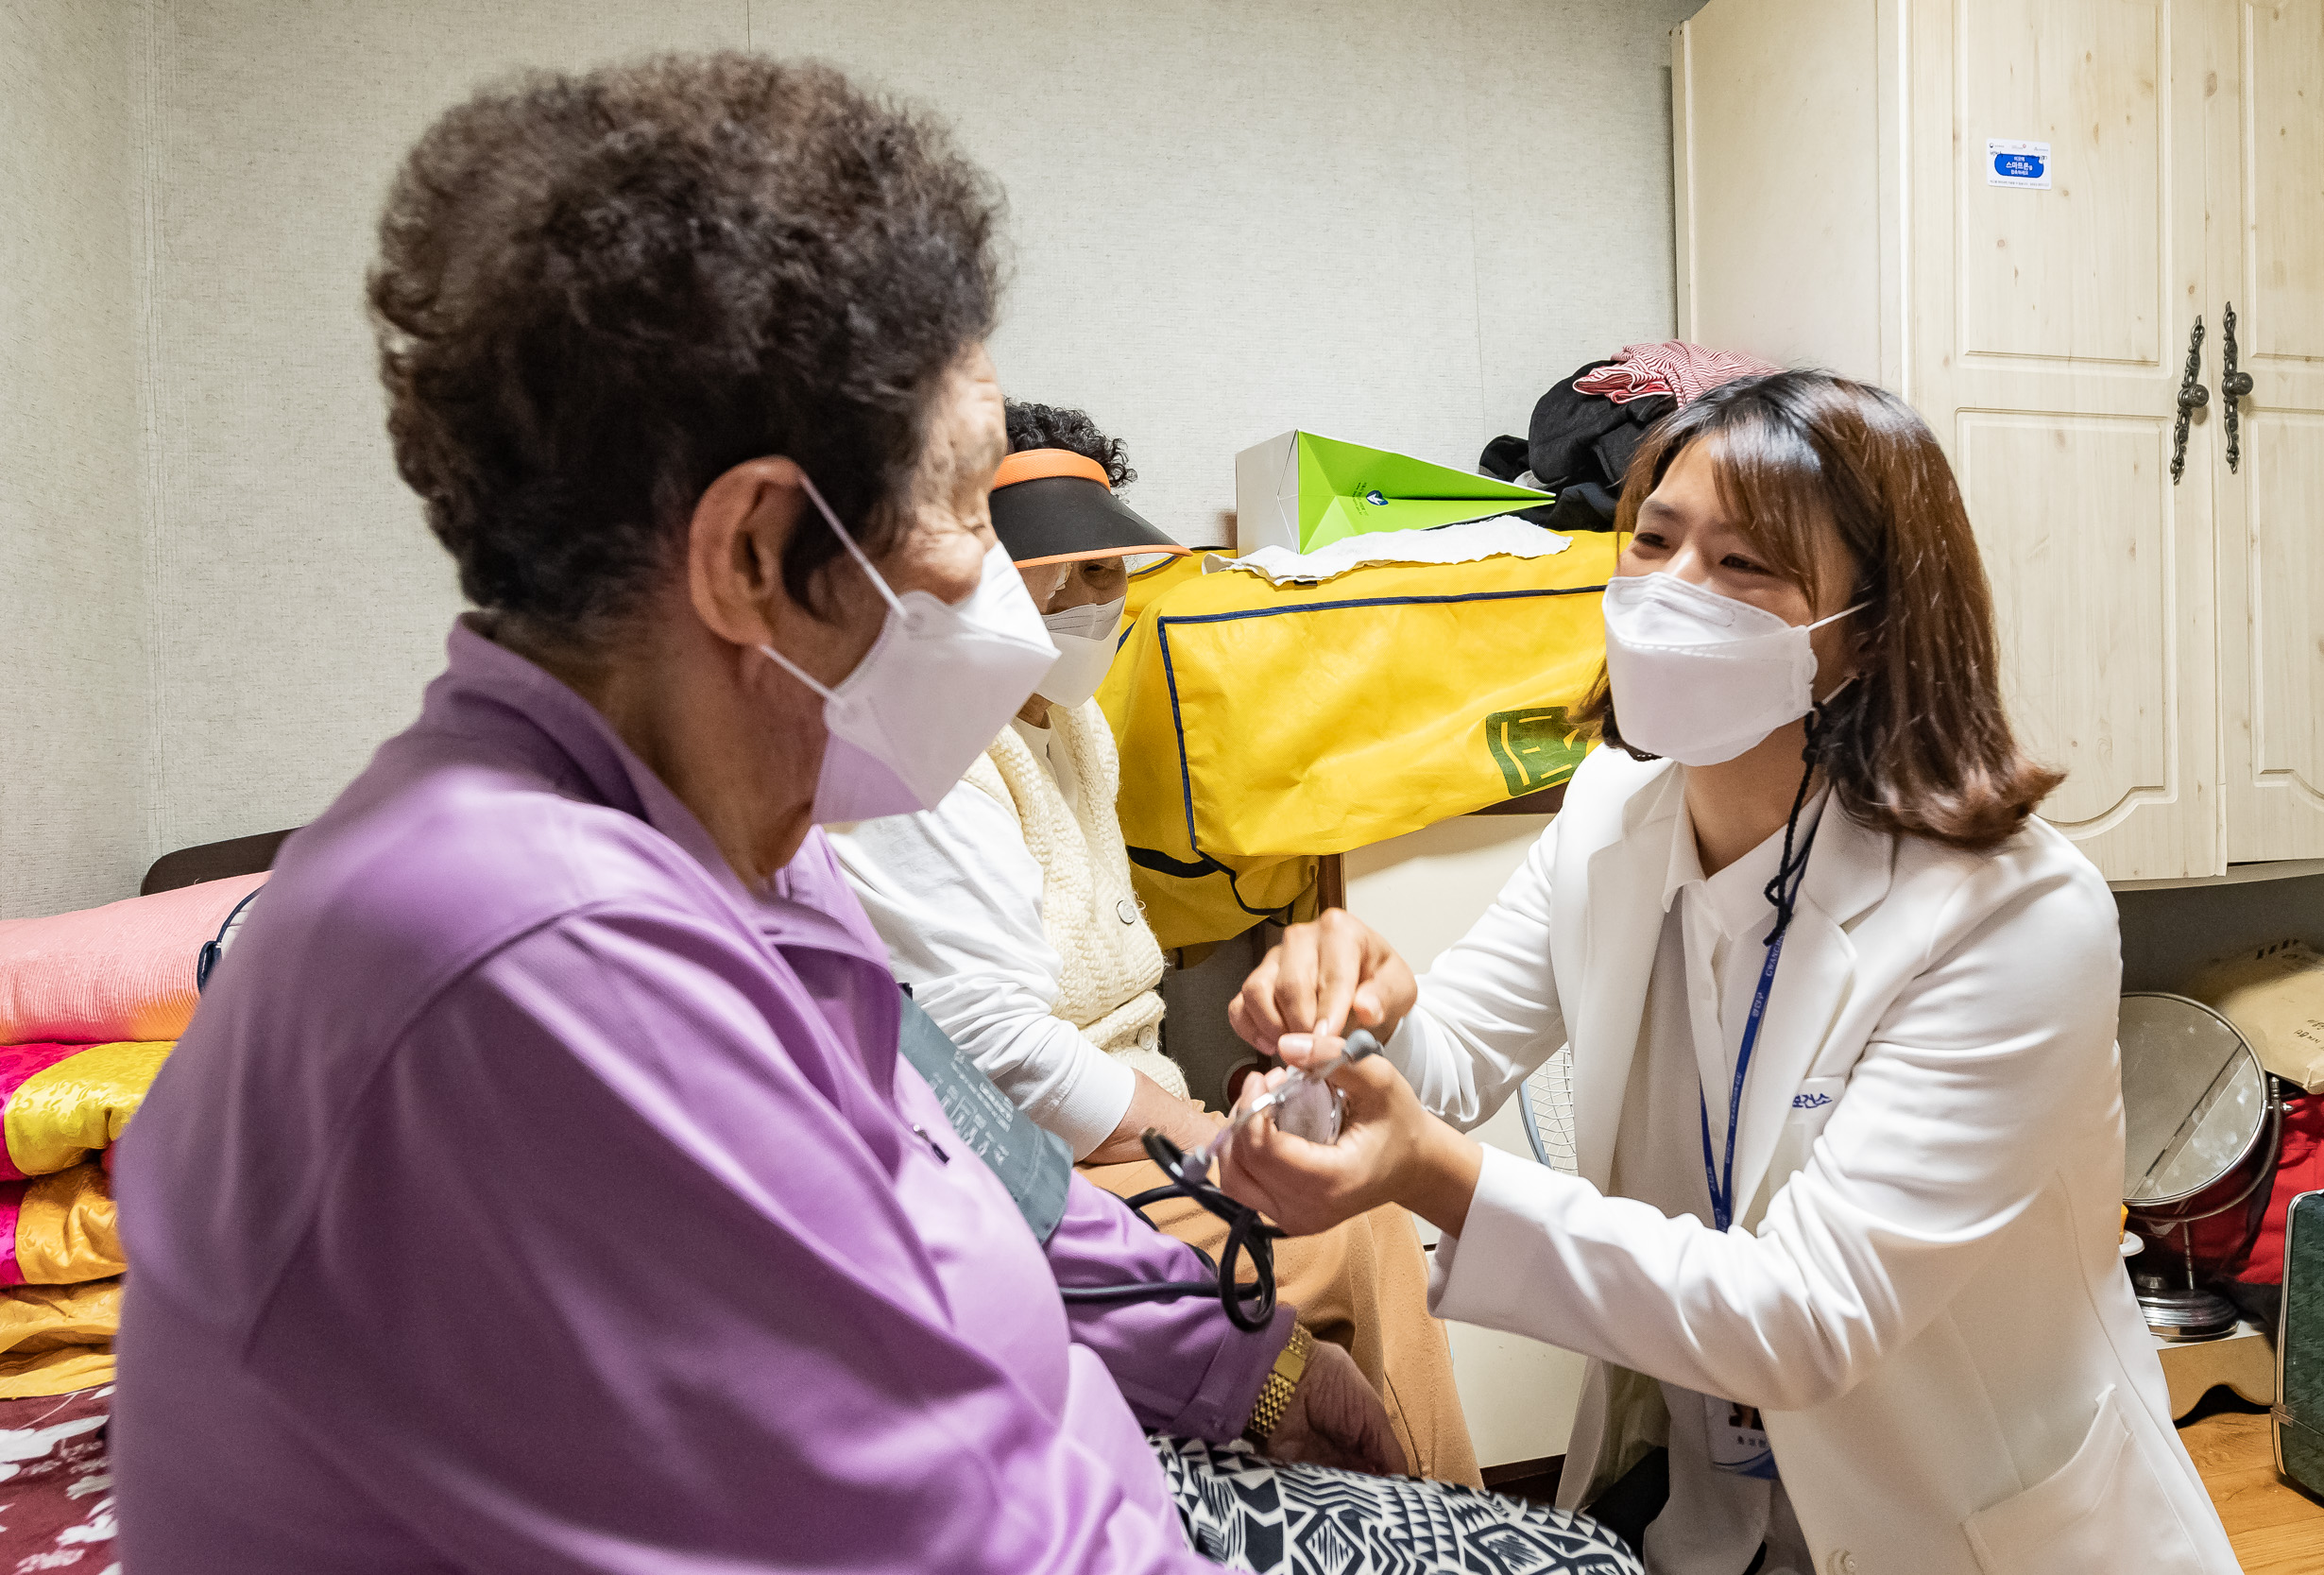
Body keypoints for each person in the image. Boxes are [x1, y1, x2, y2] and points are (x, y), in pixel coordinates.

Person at [110, 54, 1637, 1575]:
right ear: (760, 550)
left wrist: (1252, 1367)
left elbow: (984, 1168)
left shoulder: (742, 843)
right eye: (970, 508)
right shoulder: (535, 980)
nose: (1016, 594)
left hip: (1081, 1451)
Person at [1220, 371, 2241, 1575]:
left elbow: (1809, 1315)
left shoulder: (2012, 913)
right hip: (1707, 1520)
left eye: (1744, 563)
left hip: (1966, 1527)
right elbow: (1444, 1060)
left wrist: (1433, 1175)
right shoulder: (1612, 809)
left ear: (1867, 632)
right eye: (1651, 541)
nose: (1668, 592)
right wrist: (1349, 1018)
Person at [832, 402, 1479, 1486]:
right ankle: (1459, 1527)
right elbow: (993, 1050)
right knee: (1357, 1229)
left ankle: (1409, 1520)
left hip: (1131, 1125)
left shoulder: (1073, 726)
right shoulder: (928, 747)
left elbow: (1116, 974)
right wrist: (1197, 1131)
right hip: (1034, 1156)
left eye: (1107, 572)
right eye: (1057, 572)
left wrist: (1239, 1095)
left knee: (1352, 1186)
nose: (1089, 603)